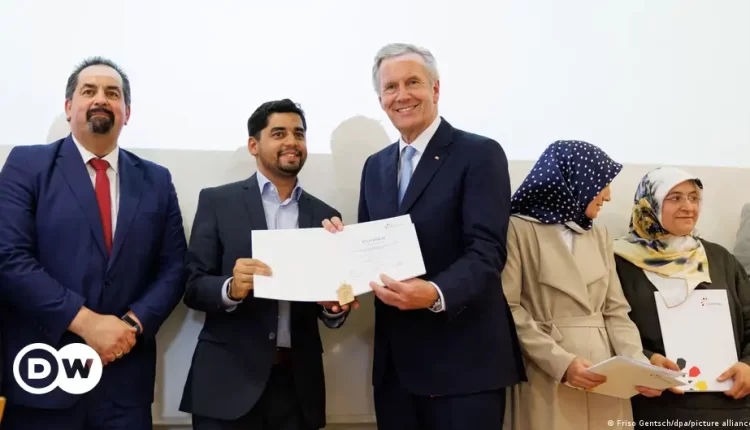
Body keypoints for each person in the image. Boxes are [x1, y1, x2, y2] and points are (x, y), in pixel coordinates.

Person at [323, 43, 526, 430]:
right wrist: (340, 287)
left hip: (463, 365)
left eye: (412, 82)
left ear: (435, 89)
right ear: (381, 100)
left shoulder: (479, 153)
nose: (401, 95)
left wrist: (434, 293)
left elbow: (487, 252)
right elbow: (369, 256)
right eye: (390, 87)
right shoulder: (375, 167)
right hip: (396, 372)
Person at [0, 57, 187, 429]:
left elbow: (174, 267)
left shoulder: (156, 180)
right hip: (43, 375)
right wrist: (87, 323)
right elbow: (9, 258)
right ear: (69, 107)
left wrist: (130, 327)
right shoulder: (26, 164)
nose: (101, 98)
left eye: (113, 93)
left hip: (124, 382)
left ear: (126, 113)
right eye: (89, 91)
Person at [179, 99, 356, 430]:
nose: (292, 141)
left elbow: (336, 302)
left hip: (296, 386)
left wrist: (334, 306)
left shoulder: (326, 216)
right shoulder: (217, 201)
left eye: (299, 134)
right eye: (279, 133)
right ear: (253, 145)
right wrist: (231, 288)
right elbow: (192, 286)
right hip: (226, 381)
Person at [500, 141, 664, 430]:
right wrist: (561, 364)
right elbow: (509, 309)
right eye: (602, 183)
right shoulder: (517, 229)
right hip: (546, 371)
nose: (608, 195)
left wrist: (637, 365)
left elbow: (616, 311)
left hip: (605, 375)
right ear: (574, 180)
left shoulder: (599, 235)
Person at [614, 167, 750, 428]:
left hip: (729, 403)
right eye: (675, 198)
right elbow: (609, 328)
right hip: (654, 403)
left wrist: (748, 365)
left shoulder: (720, 259)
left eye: (694, 198)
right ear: (649, 204)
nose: (688, 207)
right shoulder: (618, 261)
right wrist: (645, 360)